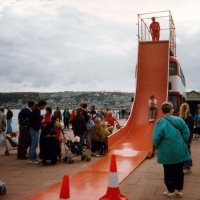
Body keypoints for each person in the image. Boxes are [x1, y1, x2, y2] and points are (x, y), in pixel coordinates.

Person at [153, 102, 191, 197]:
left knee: (168, 171)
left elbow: (156, 138)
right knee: (179, 171)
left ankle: (171, 190)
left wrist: (158, 146)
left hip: (167, 151)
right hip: (179, 149)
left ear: (163, 110)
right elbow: (186, 133)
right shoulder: (179, 120)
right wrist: (181, 141)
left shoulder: (160, 122)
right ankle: (178, 190)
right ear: (172, 110)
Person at [29, 100, 47, 164]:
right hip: (34, 129)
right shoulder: (35, 111)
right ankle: (32, 159)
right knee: (34, 144)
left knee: (35, 144)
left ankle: (33, 158)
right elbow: (34, 121)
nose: (44, 107)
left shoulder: (37, 111)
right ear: (42, 105)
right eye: (44, 105)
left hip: (35, 128)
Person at [179, 103, 194, 174]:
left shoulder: (180, 117)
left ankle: (187, 167)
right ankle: (188, 165)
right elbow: (192, 127)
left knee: (186, 150)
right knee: (187, 149)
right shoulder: (190, 116)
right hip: (189, 134)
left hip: (184, 135)